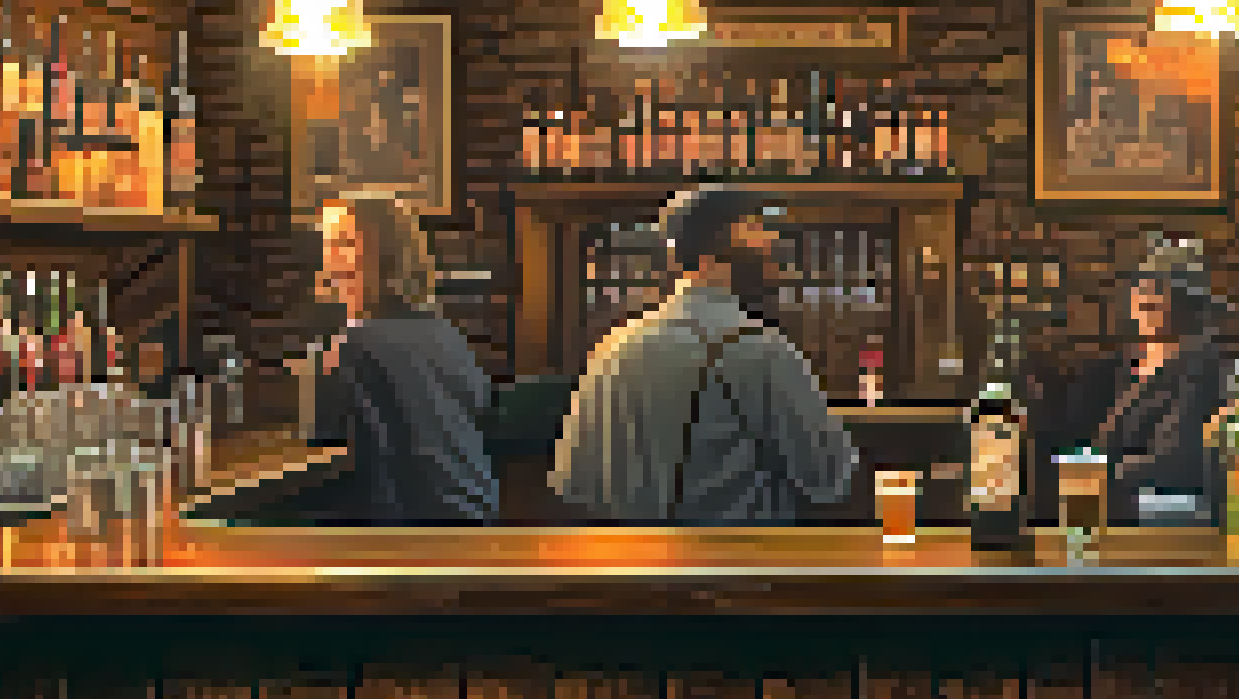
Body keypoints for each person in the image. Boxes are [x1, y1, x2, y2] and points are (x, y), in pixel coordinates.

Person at [553, 186, 856, 523]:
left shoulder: (614, 347)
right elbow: (829, 477)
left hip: (630, 564)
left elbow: (574, 481)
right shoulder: (761, 350)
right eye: (757, 235)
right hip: (738, 563)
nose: (775, 252)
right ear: (711, 255)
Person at [293, 198, 499, 523]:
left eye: (344, 243)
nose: (329, 258)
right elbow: (481, 408)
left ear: (381, 257)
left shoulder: (351, 345)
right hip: (479, 519)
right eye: (327, 242)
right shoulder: (446, 334)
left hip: (409, 537)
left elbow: (318, 439)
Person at [1030, 238, 1230, 525]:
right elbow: (1066, 436)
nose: (1147, 293)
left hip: (1154, 518)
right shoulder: (1112, 371)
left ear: (1190, 303)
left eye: (1163, 286)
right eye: (1142, 284)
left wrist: (1089, 474)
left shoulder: (1201, 371)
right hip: (1093, 507)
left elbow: (1175, 462)